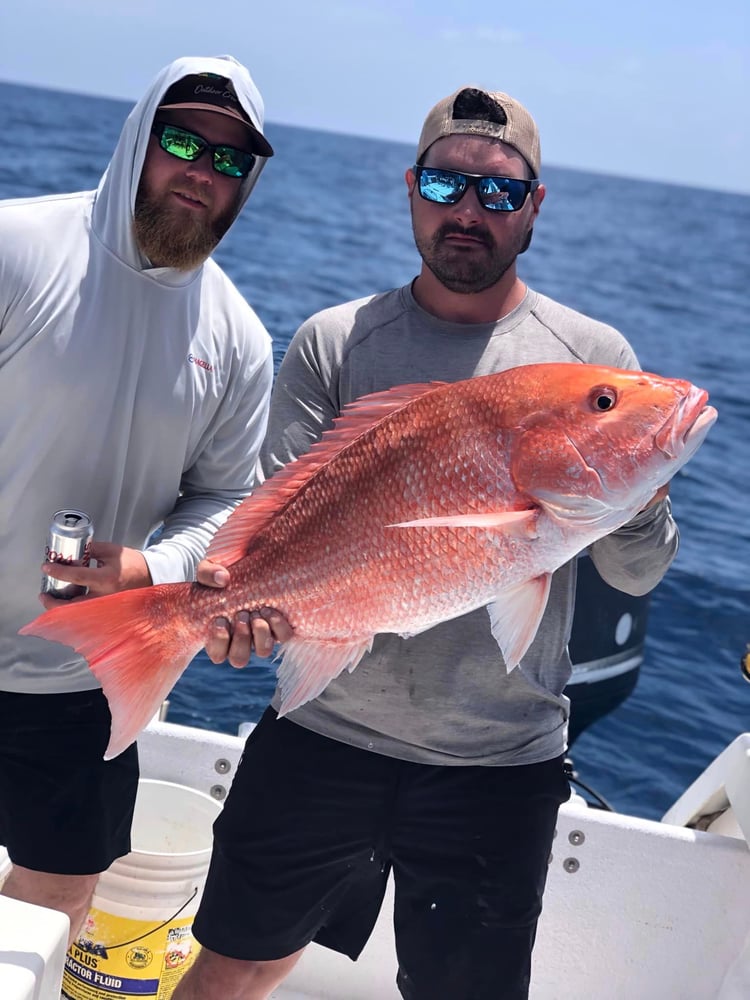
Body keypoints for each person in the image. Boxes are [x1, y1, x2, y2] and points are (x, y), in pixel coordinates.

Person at [181, 86, 679, 1000]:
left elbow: (637, 568)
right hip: (322, 732)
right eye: (447, 183)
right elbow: (272, 525)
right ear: (411, 188)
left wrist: (635, 481)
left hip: (498, 762)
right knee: (232, 969)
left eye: (498, 192)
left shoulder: (590, 352)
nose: (467, 211)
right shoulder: (340, 341)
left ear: (533, 204)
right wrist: (229, 605)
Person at [0, 55, 292, 945]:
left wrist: (154, 566)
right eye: (183, 140)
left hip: (81, 674)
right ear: (139, 137)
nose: (203, 171)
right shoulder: (19, 246)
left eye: (232, 159)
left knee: (59, 894)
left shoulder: (240, 340)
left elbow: (224, 499)